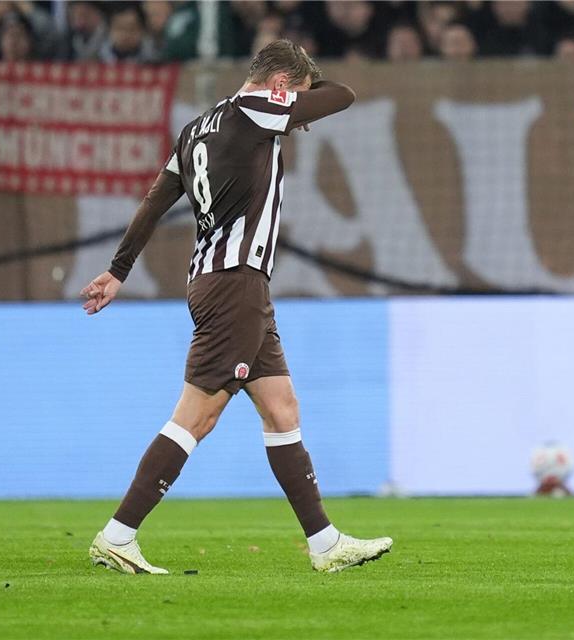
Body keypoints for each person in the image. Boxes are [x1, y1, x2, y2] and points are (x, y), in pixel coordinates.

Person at [81, 39, 392, 575]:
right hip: (234, 286)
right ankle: (118, 535)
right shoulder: (259, 108)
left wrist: (119, 269)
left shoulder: (195, 129)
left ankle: (325, 544)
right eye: (294, 94)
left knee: (281, 407)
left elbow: (155, 202)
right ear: (280, 86)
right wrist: (299, 100)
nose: (297, 116)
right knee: (196, 416)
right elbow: (343, 94)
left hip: (223, 282)